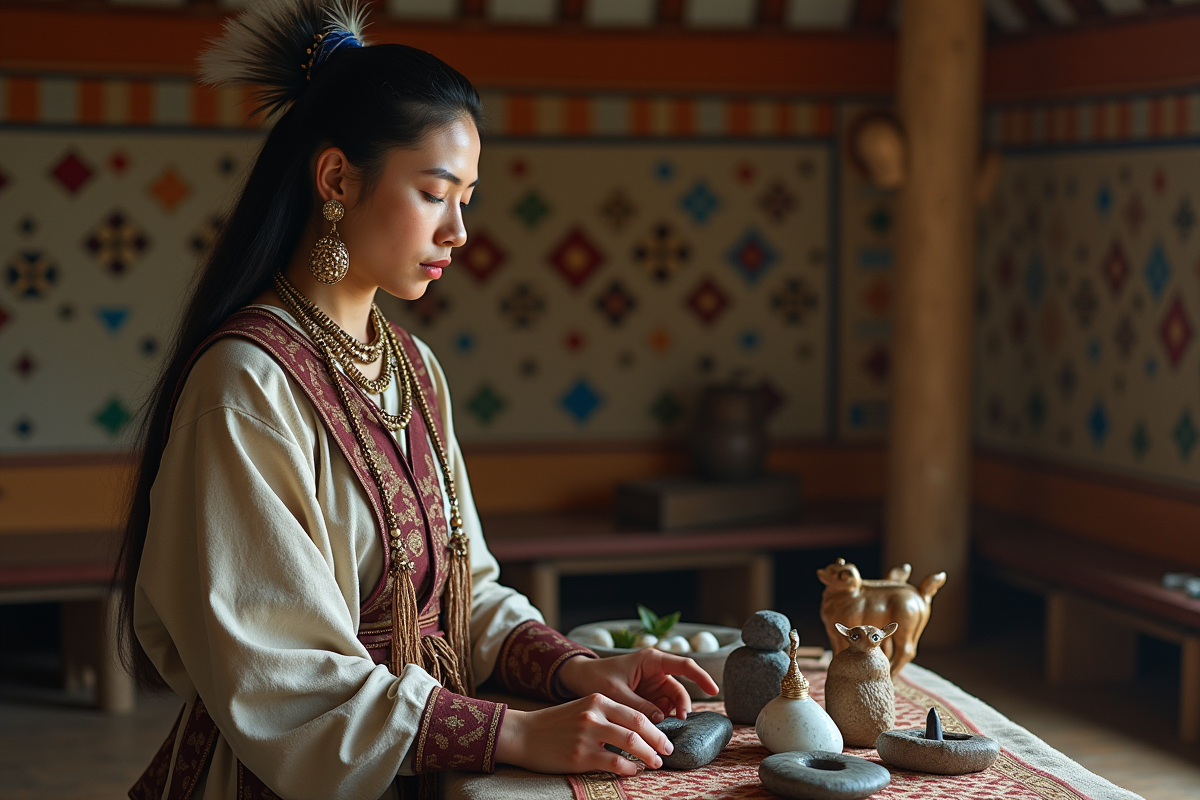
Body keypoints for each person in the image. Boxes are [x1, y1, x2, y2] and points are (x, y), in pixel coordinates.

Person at [116, 1, 718, 798]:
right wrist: (513, 732)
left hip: (425, 770)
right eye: (436, 193)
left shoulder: (412, 367)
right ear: (337, 178)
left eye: (467, 197)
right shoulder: (246, 386)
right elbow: (283, 675)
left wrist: (575, 668)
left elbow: (460, 600)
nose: (459, 230)